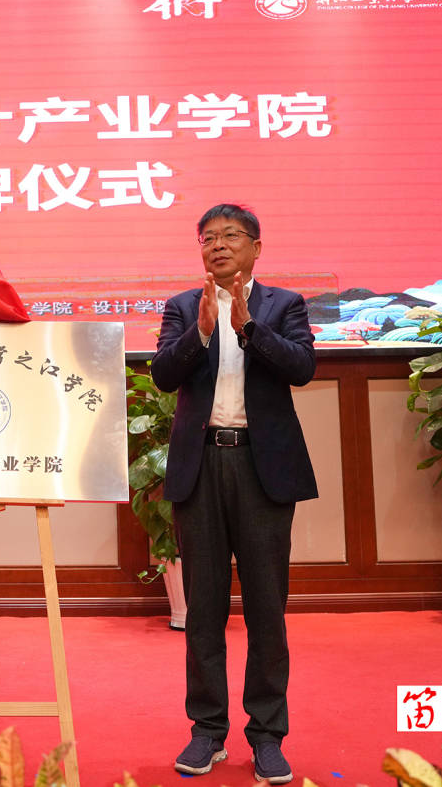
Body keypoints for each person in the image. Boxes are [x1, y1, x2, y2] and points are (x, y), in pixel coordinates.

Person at [150, 203, 317, 784]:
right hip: (201, 467)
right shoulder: (182, 307)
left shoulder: (284, 305)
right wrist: (200, 332)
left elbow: (302, 368)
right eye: (208, 238)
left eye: (229, 236)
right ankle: (207, 731)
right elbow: (163, 375)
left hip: (261, 467)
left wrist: (249, 327)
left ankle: (268, 736)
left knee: (267, 608)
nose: (217, 245)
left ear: (256, 247)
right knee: (204, 610)